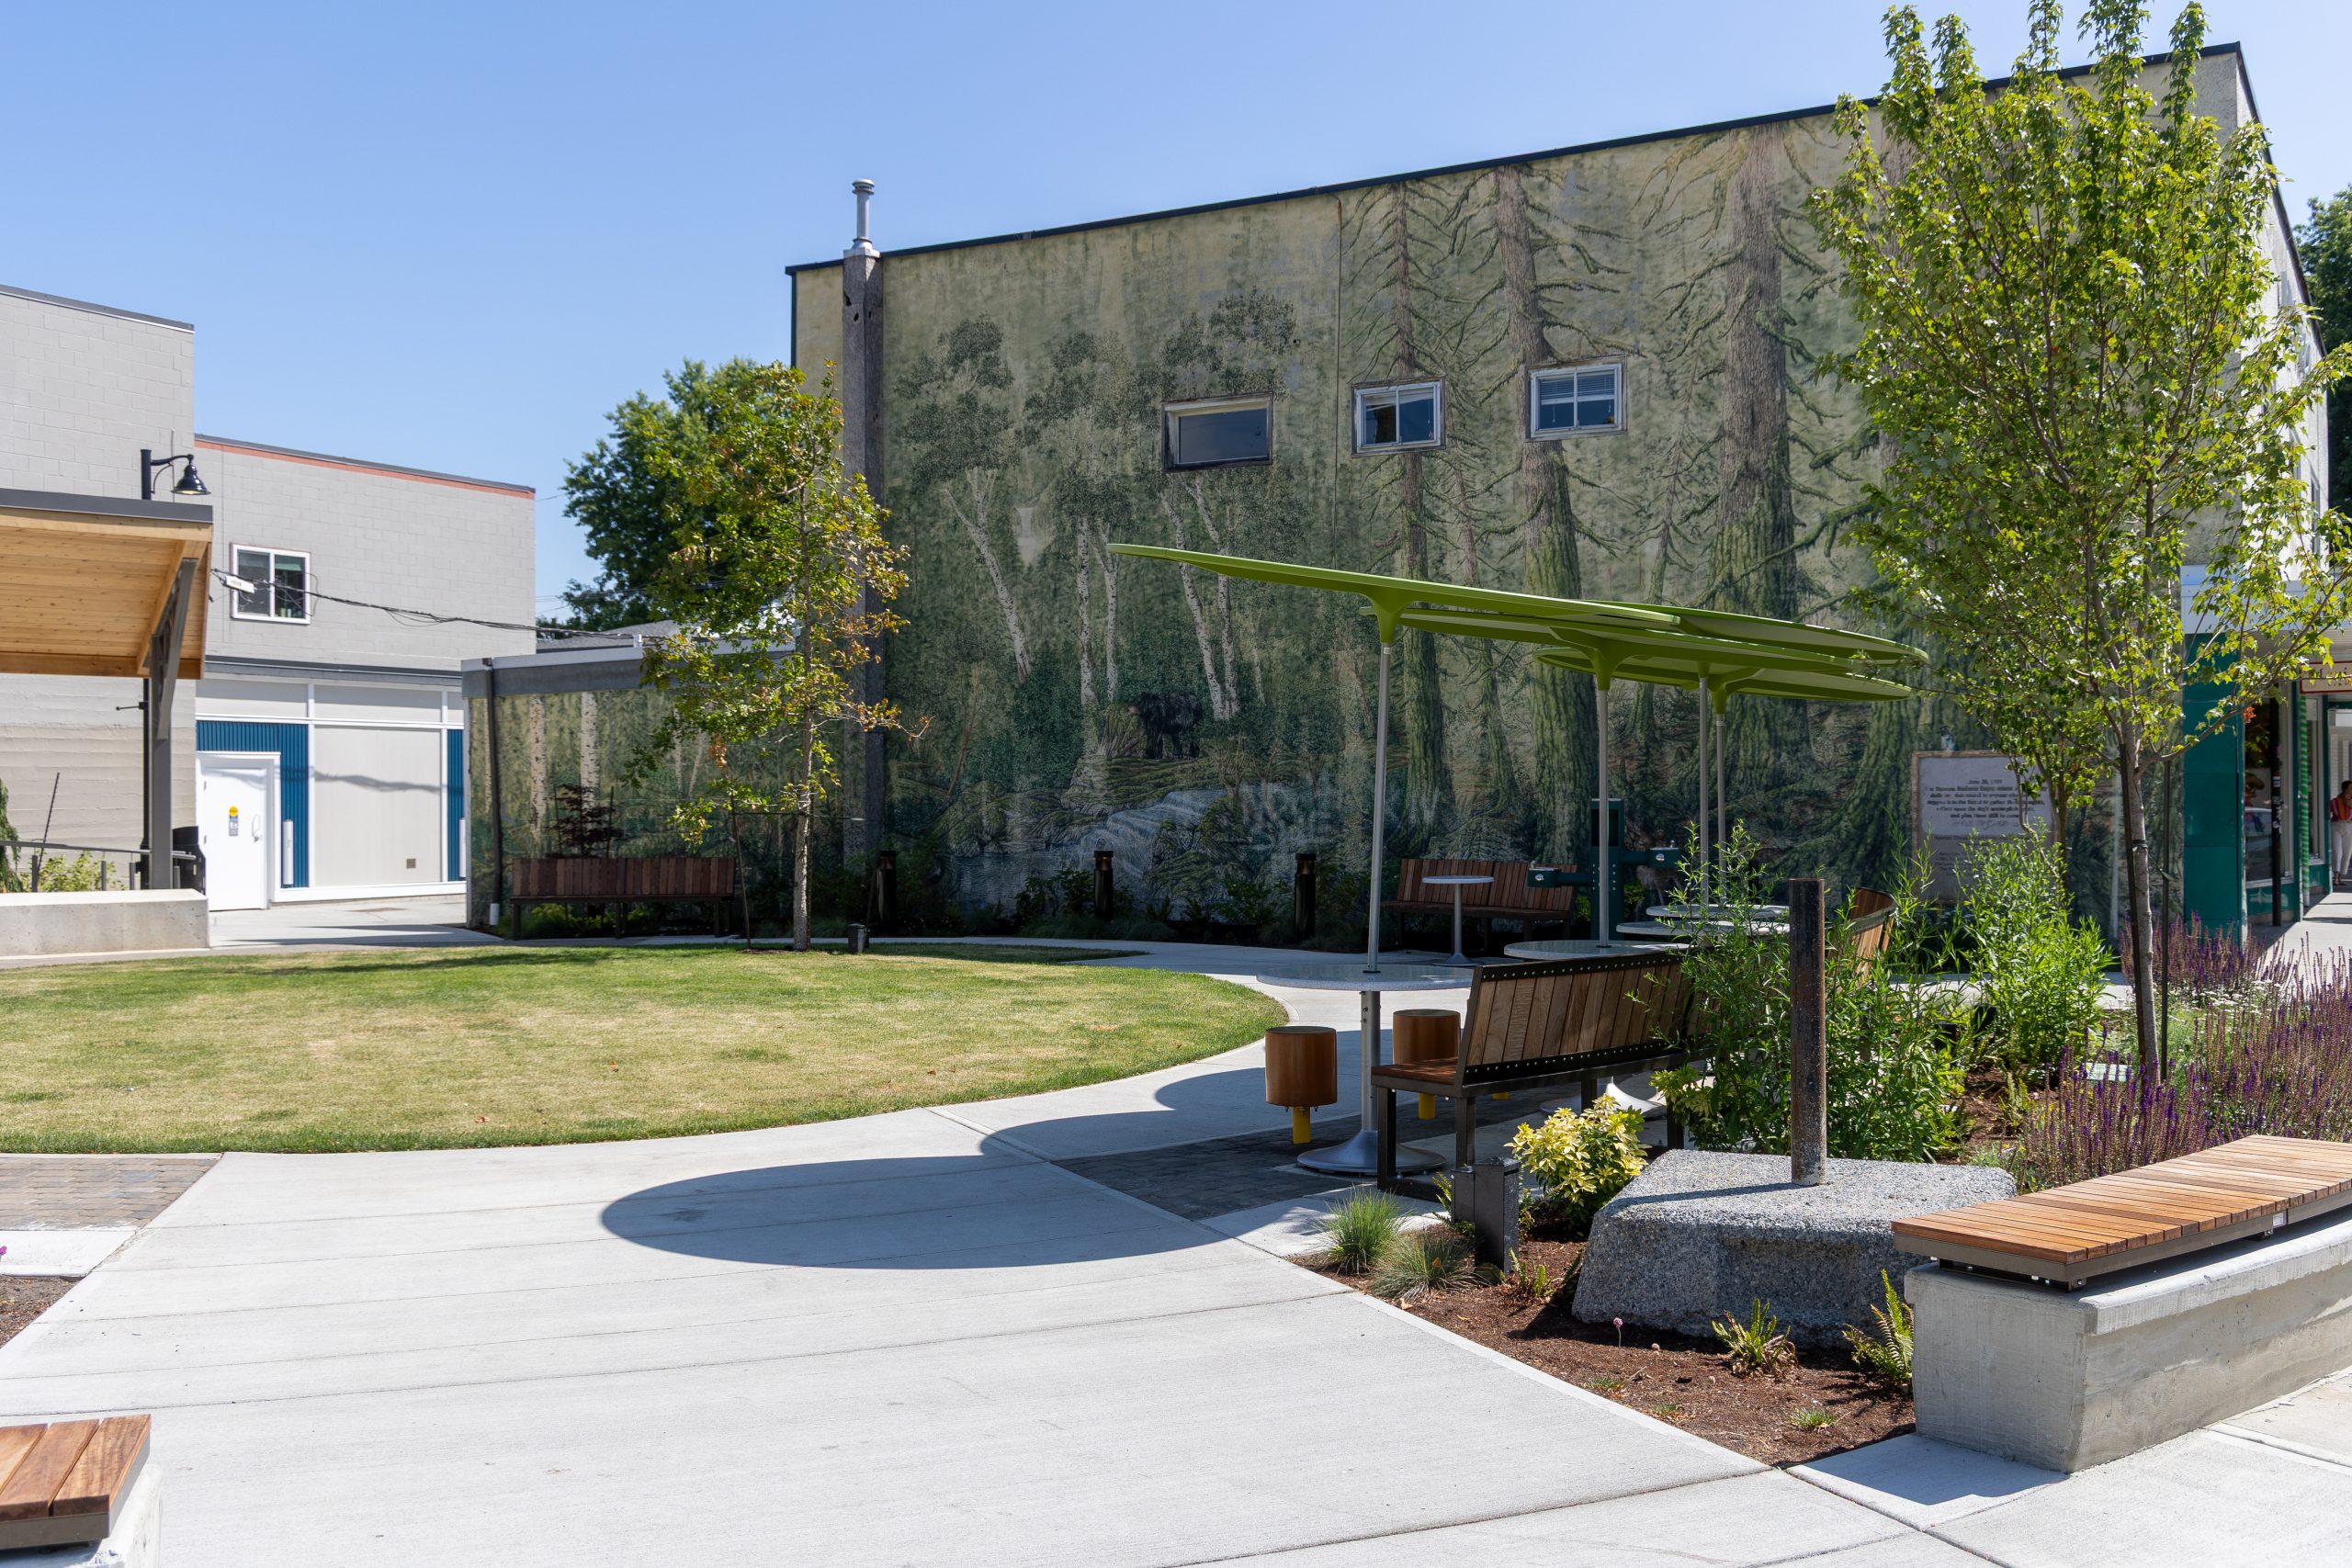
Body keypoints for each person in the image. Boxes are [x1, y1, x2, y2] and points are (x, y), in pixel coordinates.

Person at [2331, 782, 2352, 885]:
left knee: (2347, 852)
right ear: (2345, 789)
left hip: (2349, 825)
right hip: (2336, 825)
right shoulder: (2335, 801)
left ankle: (2340, 877)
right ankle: (2335, 875)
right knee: (2337, 851)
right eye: (2351, 788)